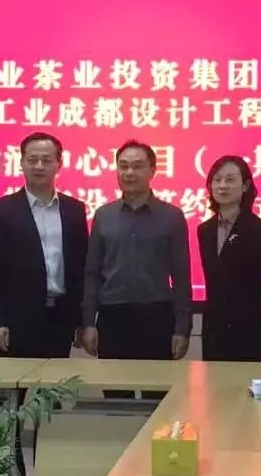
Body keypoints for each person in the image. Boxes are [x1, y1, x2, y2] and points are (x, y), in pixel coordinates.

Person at [81, 141, 192, 368]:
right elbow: (92, 273)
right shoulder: (103, 215)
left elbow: (181, 276)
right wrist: (88, 322)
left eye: (138, 166)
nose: (129, 172)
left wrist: (182, 328)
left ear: (153, 170)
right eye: (123, 166)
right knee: (114, 387)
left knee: (157, 387)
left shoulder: (172, 216)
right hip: (112, 317)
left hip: (157, 316)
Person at [0, 132, 89, 359]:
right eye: (32, 160)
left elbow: (81, 268)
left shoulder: (74, 209)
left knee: (56, 381)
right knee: (14, 382)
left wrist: (83, 320)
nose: (39, 166)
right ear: (21, 163)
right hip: (15, 320)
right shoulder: (0, 210)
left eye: (46, 160)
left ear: (59, 164)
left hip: (61, 318)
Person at [197, 155, 261, 362]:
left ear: (245, 186)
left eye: (230, 180)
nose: (222, 186)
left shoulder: (260, 230)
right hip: (215, 331)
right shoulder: (205, 230)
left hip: (252, 332)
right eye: (217, 180)